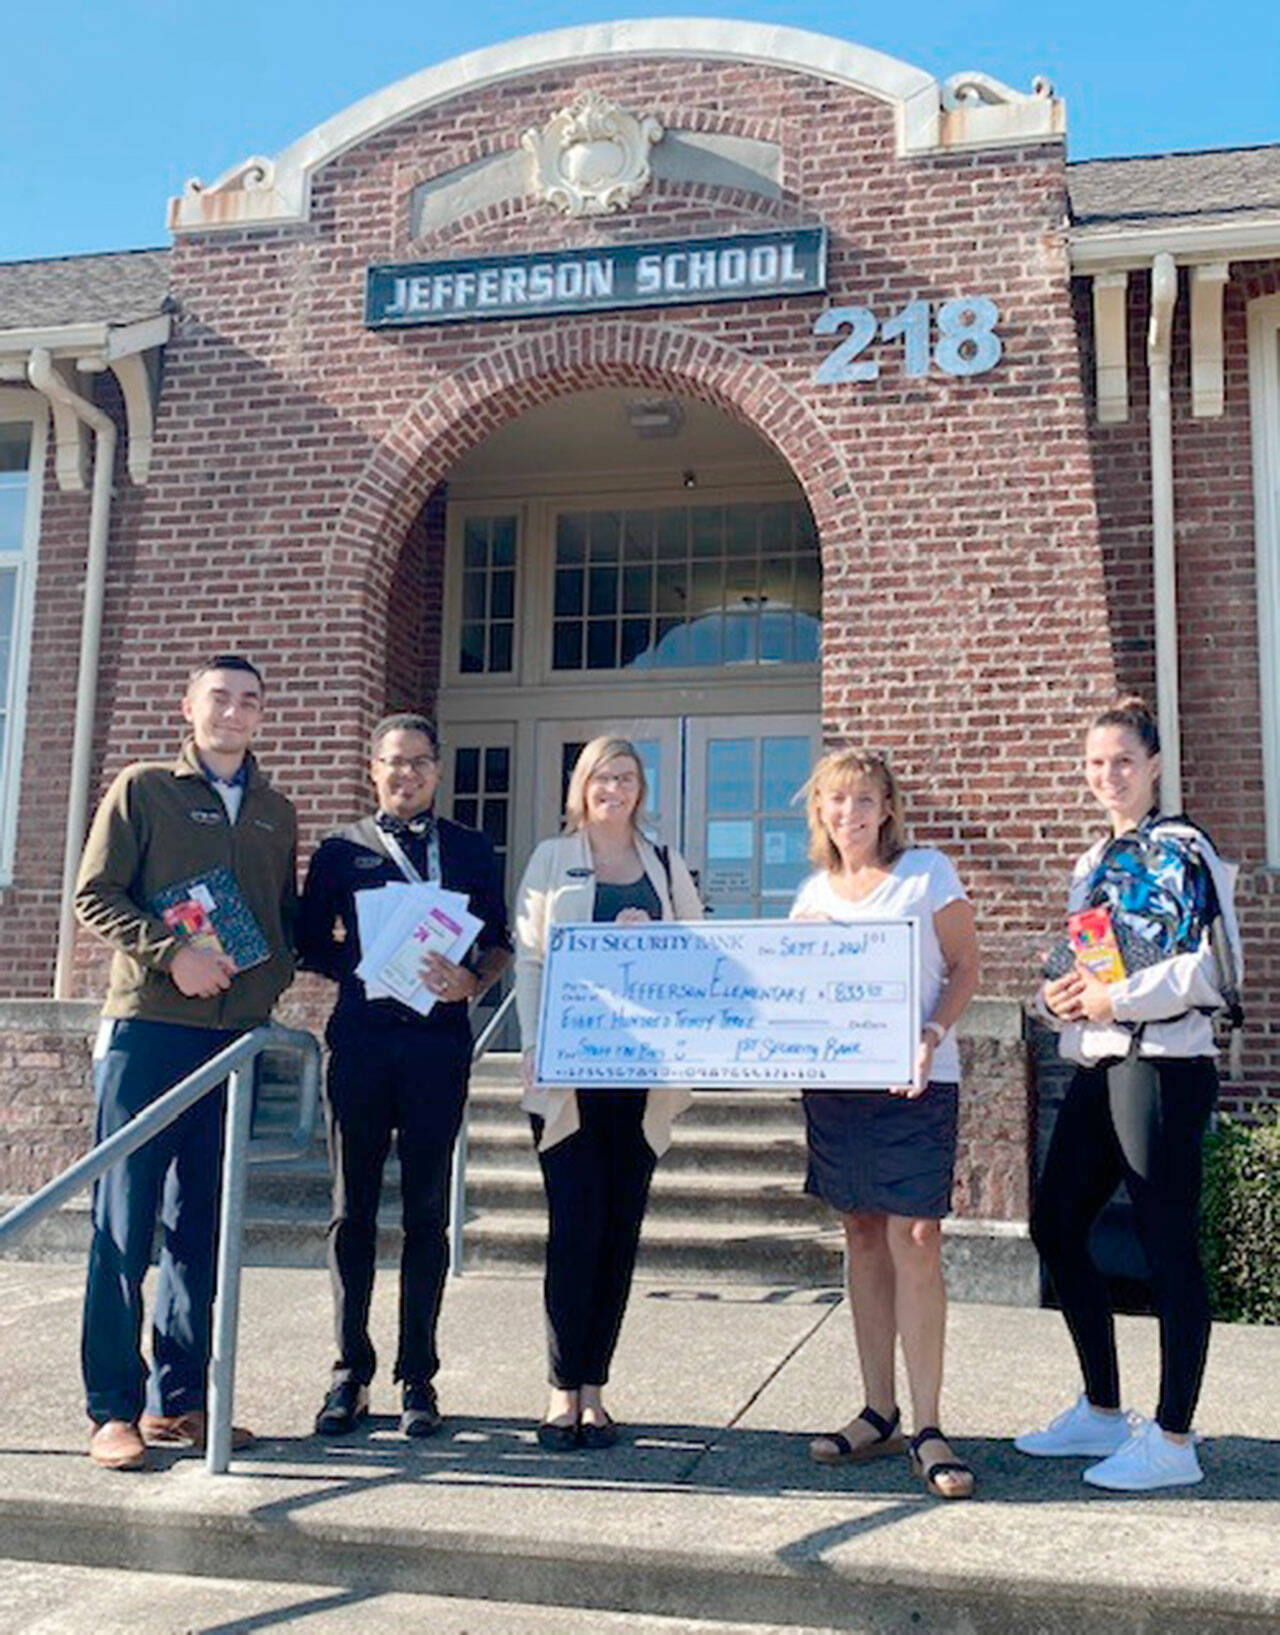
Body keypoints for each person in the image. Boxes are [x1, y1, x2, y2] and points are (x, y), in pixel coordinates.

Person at [73, 655, 298, 1470]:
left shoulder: (275, 811)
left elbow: (279, 919)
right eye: (219, 698)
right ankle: (112, 1408)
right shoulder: (144, 789)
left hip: (232, 1042)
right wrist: (175, 956)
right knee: (124, 1222)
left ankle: (179, 1401)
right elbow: (94, 894)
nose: (233, 712)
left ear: (262, 715)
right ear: (188, 707)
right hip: (150, 1031)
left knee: (200, 1227)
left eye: (249, 701)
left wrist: (273, 984)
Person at [1016, 696, 1243, 1491]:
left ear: (1153, 767)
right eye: (1095, 762)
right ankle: (1104, 1409)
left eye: (1122, 760)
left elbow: (1213, 970)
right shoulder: (1093, 862)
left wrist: (1117, 999)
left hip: (1164, 1068)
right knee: (1055, 1224)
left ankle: (1174, 1440)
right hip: (1101, 1063)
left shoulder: (1186, 849)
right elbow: (1078, 967)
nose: (1107, 774)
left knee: (1166, 1241)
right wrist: (1056, 1001)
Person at [297, 712, 511, 1439]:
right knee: (351, 1211)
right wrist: (365, 967)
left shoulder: (470, 848)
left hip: (436, 1047)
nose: (406, 773)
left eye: (419, 762)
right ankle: (348, 1372)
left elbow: (499, 940)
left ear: (438, 771)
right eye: (393, 761)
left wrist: (472, 982)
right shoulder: (341, 850)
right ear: (374, 769)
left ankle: (418, 1375)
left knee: (426, 1213)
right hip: (360, 1044)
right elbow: (308, 941)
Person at [790, 748, 980, 1500]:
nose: (851, 814)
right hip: (838, 1086)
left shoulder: (926, 873)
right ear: (821, 812)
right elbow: (792, 992)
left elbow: (966, 967)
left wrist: (930, 1034)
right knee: (862, 1231)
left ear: (888, 808)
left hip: (917, 1079)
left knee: (918, 1235)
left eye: (865, 799)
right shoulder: (811, 894)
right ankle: (879, 1412)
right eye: (837, 801)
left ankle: (929, 1424)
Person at [514, 736, 703, 1451]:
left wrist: (650, 938)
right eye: (602, 777)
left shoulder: (665, 865)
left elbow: (697, 953)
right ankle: (560, 1388)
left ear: (640, 789)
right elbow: (532, 959)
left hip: (640, 1077)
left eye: (626, 778)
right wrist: (533, 1045)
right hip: (570, 1077)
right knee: (574, 1229)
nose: (613, 790)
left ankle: (595, 1389)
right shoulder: (550, 858)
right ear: (582, 786)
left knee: (620, 1231)